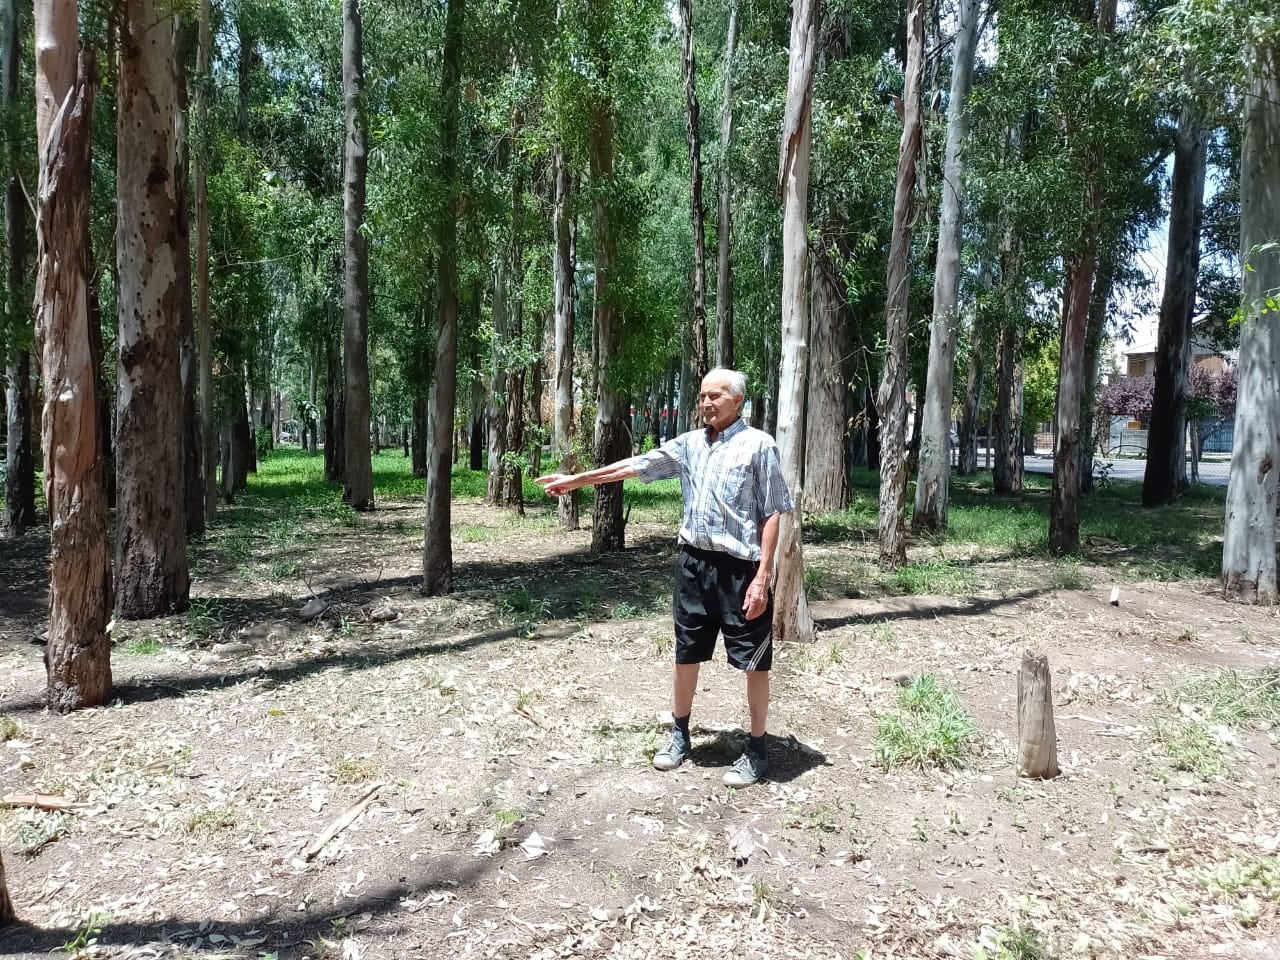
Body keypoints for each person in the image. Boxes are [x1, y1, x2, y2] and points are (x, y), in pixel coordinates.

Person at [535, 368, 794, 787]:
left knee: (753, 662)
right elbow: (636, 466)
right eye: (703, 396)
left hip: (740, 572)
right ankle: (680, 734)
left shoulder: (759, 446)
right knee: (686, 652)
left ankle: (757, 748)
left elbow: (772, 513)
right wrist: (576, 481)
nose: (706, 403)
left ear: (738, 401)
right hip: (693, 566)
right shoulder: (689, 445)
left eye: (716, 396)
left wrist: (763, 577)